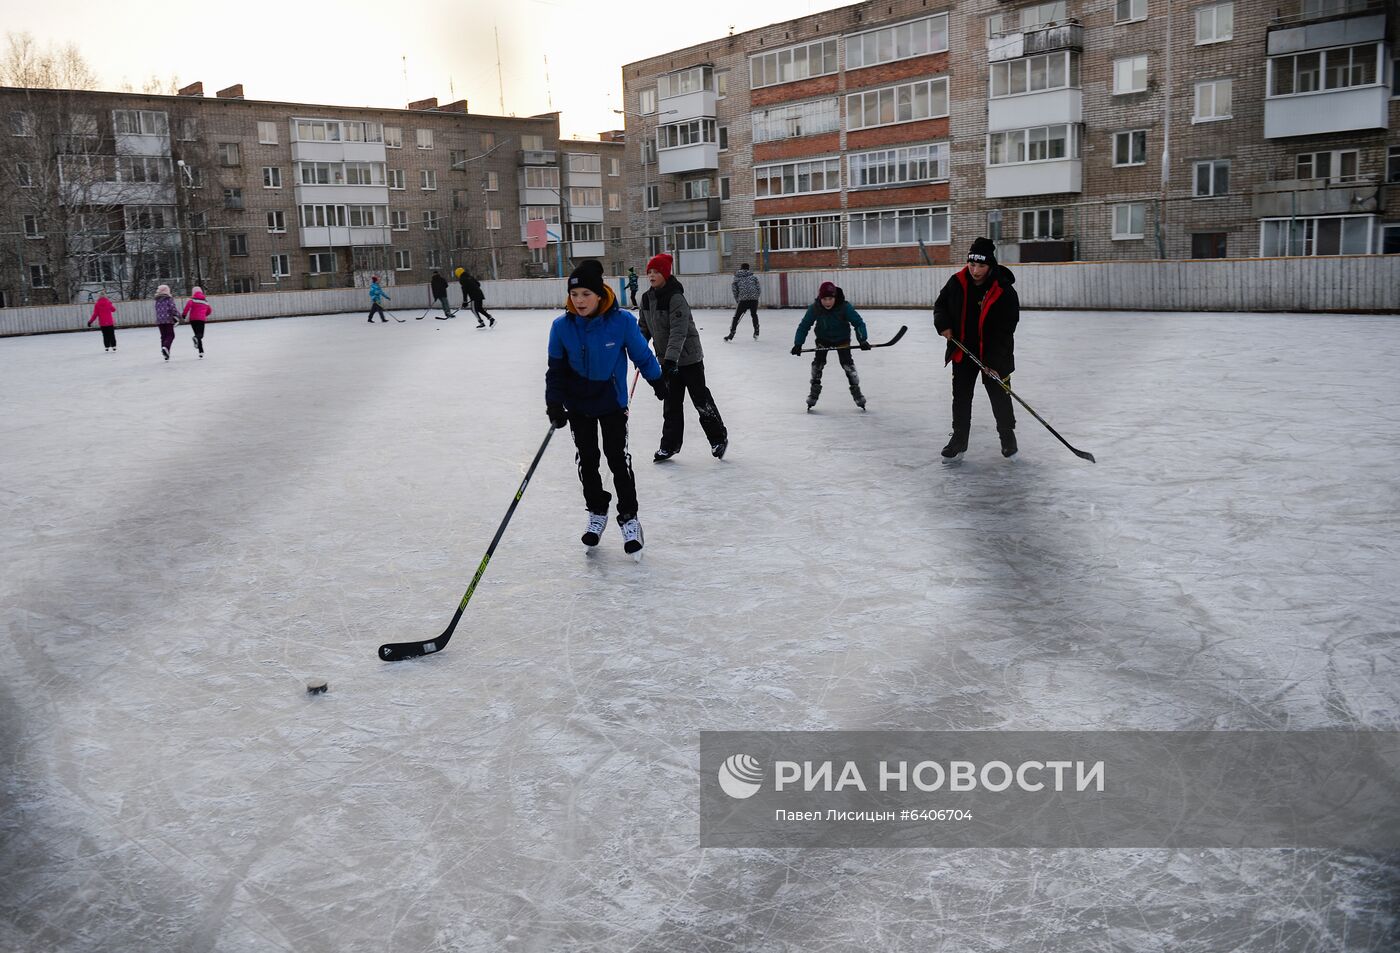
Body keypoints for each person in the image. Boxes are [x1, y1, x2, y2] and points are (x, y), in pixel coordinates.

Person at [546, 260, 666, 557]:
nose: (579, 300)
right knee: (587, 461)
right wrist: (553, 403)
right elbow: (556, 370)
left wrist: (657, 380)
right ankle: (597, 511)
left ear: (599, 294)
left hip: (611, 403)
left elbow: (641, 354)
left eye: (586, 294)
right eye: (575, 295)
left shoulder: (621, 321)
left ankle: (629, 519)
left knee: (617, 460)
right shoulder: (561, 327)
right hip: (578, 405)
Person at [932, 237, 1020, 461]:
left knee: (1000, 395)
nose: (975, 270)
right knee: (960, 396)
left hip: (995, 354)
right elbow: (940, 305)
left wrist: (993, 360)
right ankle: (959, 439)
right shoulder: (957, 282)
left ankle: (1007, 436)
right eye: (972, 264)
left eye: (981, 265)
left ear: (990, 265)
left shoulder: (1004, 290)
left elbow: (1007, 328)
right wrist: (944, 325)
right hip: (963, 350)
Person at [637, 252, 729, 461]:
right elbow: (643, 328)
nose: (652, 275)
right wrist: (639, 348)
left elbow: (679, 332)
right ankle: (669, 446)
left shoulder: (676, 297)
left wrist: (671, 360)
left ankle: (718, 438)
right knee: (671, 404)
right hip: (667, 360)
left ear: (666, 274)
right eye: (649, 272)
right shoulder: (646, 299)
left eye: (656, 272)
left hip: (689, 358)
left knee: (700, 400)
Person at [791, 280, 869, 411]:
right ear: (820, 298)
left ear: (835, 297)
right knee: (818, 364)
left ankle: (856, 392)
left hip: (842, 338)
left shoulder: (844, 307)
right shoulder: (815, 308)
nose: (827, 302)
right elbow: (804, 325)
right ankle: (814, 392)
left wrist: (862, 340)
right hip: (823, 338)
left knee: (847, 365)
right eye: (824, 299)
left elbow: (858, 323)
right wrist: (798, 344)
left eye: (830, 298)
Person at [725, 263, 761, 341]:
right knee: (754, 314)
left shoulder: (736, 278)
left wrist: (738, 300)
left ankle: (731, 334)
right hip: (754, 299)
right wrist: (756, 297)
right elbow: (758, 288)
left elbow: (734, 290)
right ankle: (756, 331)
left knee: (736, 317)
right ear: (748, 269)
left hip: (743, 300)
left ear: (740, 269)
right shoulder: (753, 277)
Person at [181, 287, 212, 357]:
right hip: (201, 319)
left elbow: (187, 307)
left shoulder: (192, 300)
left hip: (193, 320)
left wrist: (184, 315)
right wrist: (204, 315)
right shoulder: (205, 301)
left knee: (197, 335)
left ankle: (201, 352)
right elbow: (209, 311)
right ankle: (197, 343)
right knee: (200, 335)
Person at [154, 284, 179, 361]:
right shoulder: (169, 299)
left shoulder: (157, 300)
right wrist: (178, 315)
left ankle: (165, 353)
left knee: (163, 336)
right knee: (171, 335)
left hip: (160, 321)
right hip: (168, 319)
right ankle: (166, 347)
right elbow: (173, 308)